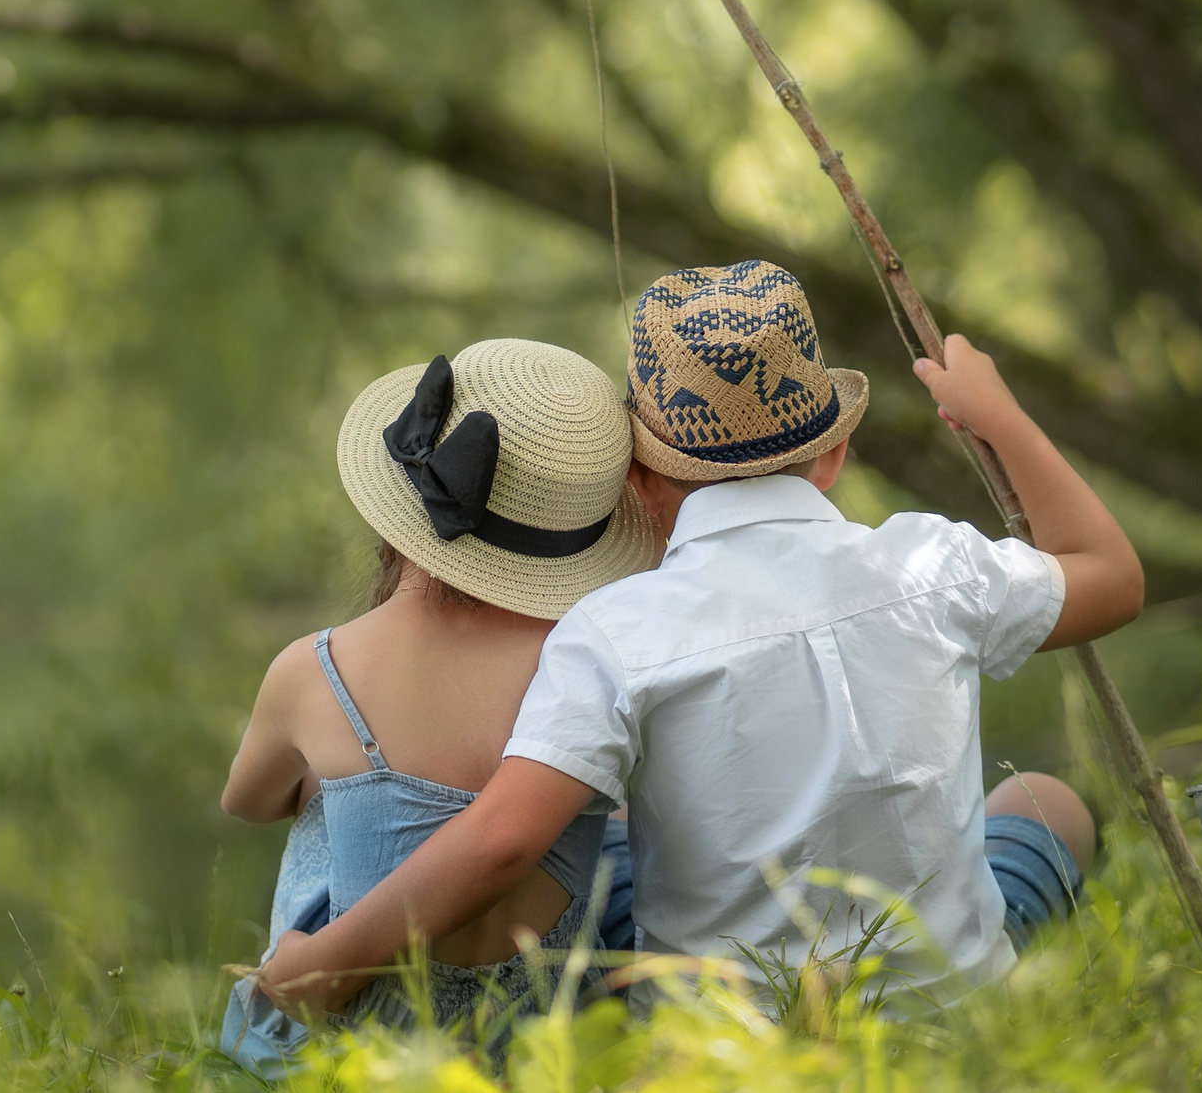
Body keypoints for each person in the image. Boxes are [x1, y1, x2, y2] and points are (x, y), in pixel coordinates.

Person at [257, 260, 1145, 1017]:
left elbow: (500, 842)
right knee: (1048, 804)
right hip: (950, 1018)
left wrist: (332, 958)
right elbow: (1112, 574)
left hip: (721, 1044)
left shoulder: (616, 630)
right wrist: (998, 417)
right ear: (833, 452)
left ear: (639, 477)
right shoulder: (932, 563)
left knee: (598, 849)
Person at [216, 338, 664, 1069]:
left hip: (348, 1049)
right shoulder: (591, 675)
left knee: (330, 794)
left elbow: (248, 802)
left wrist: (346, 770)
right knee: (601, 823)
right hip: (531, 1048)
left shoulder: (312, 669)